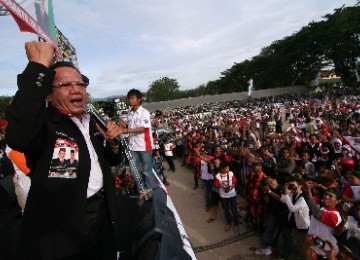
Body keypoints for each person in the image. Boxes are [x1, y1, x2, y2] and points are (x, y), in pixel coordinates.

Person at [5, 41, 122, 260]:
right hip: (61, 233)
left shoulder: (93, 121)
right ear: (48, 95)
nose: (76, 89)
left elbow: (111, 161)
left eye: (81, 83)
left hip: (102, 217)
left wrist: (114, 144)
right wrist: (38, 66)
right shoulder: (46, 125)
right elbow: (19, 135)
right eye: (65, 85)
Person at [117, 89, 155, 194]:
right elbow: (128, 126)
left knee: (147, 172)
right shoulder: (129, 113)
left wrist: (127, 130)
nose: (130, 100)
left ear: (139, 99)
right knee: (134, 172)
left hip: (144, 146)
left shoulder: (145, 113)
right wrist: (120, 122)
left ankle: (149, 191)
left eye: (133, 98)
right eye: (129, 98)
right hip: (133, 147)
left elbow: (144, 128)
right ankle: (141, 190)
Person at [213, 161, 240, 232]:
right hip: (223, 196)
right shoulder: (218, 176)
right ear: (222, 169)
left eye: (228, 168)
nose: (228, 169)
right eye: (227, 168)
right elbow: (216, 185)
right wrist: (221, 186)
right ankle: (228, 223)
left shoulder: (231, 173)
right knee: (226, 210)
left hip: (232, 195)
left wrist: (230, 187)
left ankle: (236, 224)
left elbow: (234, 182)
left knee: (234, 209)